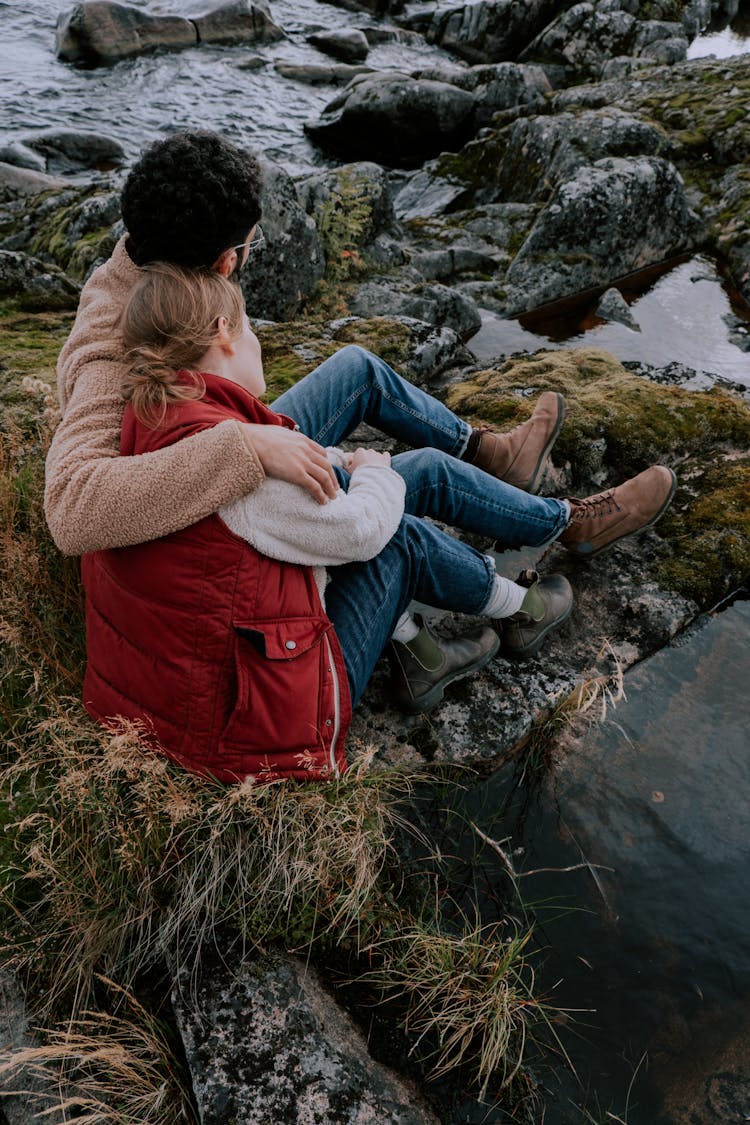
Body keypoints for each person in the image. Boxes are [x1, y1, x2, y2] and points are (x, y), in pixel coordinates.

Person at [49, 131, 677, 766]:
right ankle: (565, 525)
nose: (246, 259)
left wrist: (253, 431)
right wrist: (245, 446)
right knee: (408, 491)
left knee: (356, 370)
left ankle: (494, 455)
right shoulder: (112, 333)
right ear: (222, 262)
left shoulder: (165, 266)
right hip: (209, 497)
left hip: (208, 434)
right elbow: (74, 506)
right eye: (245, 247)